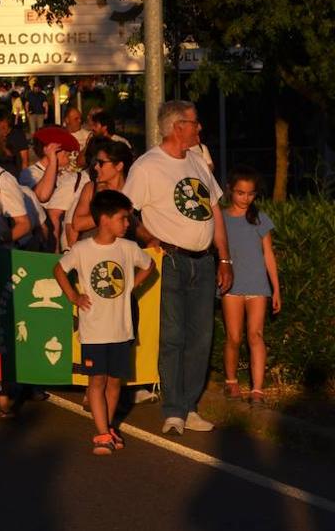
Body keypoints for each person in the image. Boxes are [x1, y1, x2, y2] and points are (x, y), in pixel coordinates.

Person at [122, 100, 232, 435]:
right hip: (170, 261)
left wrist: (224, 258)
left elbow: (214, 211)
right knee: (172, 335)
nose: (200, 128)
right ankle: (173, 409)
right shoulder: (147, 166)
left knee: (201, 337)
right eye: (195, 122)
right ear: (177, 126)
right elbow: (127, 212)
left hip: (204, 260)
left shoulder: (197, 160)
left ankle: (189, 406)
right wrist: (149, 238)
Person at [52, 190, 156, 455]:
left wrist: (131, 285)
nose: (127, 224)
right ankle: (101, 434)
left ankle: (108, 428)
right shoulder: (82, 249)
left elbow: (149, 265)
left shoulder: (128, 248)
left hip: (121, 329)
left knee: (114, 383)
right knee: (96, 382)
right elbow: (59, 270)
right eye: (123, 218)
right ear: (105, 219)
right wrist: (73, 296)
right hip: (94, 331)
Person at [220, 167, 279, 407]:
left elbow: (268, 255)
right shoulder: (221, 218)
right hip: (232, 286)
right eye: (240, 193)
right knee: (234, 336)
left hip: (258, 285)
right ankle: (231, 381)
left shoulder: (259, 218)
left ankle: (257, 389)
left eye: (250, 194)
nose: (245, 198)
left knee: (256, 335)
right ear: (230, 191)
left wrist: (276, 288)